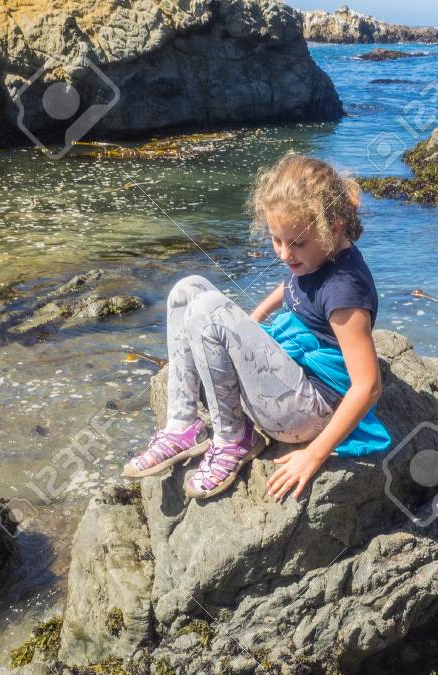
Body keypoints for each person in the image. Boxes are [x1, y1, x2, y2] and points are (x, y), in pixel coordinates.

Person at [122, 152, 391, 500]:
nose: (283, 254)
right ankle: (182, 425)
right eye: (277, 240)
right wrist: (253, 322)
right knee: (187, 290)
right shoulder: (316, 256)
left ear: (334, 226)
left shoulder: (344, 291)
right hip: (292, 381)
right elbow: (294, 287)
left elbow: (369, 385)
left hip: (310, 413)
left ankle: (234, 438)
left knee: (208, 309)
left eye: (296, 243)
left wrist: (315, 454)